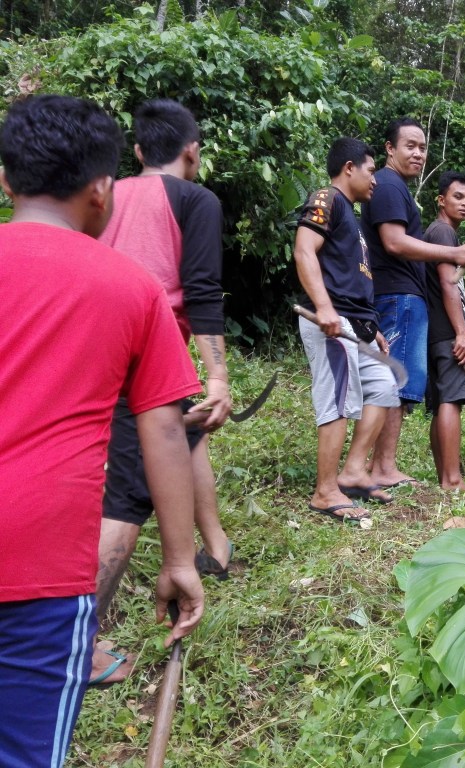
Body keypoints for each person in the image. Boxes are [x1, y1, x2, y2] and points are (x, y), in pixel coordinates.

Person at [0, 94, 204, 768]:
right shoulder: (132, 289)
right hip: (39, 576)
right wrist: (179, 560)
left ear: (6, 181)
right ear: (102, 191)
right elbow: (166, 434)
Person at [91, 98, 231, 687]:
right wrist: (217, 373)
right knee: (127, 498)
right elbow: (201, 289)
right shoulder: (195, 200)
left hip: (90, 344)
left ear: (141, 151)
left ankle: (216, 545)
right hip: (144, 352)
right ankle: (77, 642)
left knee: (186, 436)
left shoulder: (104, 193)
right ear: (192, 152)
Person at [360, 117, 465, 489]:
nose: (418, 153)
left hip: (405, 298)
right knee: (396, 385)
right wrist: (455, 252)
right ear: (389, 149)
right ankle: (382, 467)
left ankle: (385, 465)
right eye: (410, 146)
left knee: (402, 386)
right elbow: (396, 243)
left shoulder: (395, 189)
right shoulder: (389, 187)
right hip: (398, 296)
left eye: (423, 147)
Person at [294, 137, 400, 522]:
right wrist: (323, 307)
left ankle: (353, 471)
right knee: (338, 400)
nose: (375, 180)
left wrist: (372, 330)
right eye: (371, 171)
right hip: (332, 319)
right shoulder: (328, 199)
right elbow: (304, 249)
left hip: (358, 324)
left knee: (384, 387)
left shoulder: (353, 218)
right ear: (349, 168)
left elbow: (351, 278)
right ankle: (325, 492)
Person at [424, 171, 465, 491]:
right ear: (441, 200)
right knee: (451, 401)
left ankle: (445, 477)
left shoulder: (439, 233)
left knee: (443, 400)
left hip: (436, 331)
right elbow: (447, 283)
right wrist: (461, 332)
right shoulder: (443, 232)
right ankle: (453, 480)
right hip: (447, 331)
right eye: (458, 197)